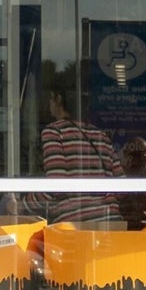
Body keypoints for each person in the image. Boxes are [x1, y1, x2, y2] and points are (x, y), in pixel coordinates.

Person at [38, 92, 121, 227]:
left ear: (58, 99)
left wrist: (22, 205)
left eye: (50, 98)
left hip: (76, 225)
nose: (49, 104)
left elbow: (56, 184)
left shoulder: (53, 132)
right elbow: (120, 185)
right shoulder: (100, 135)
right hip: (110, 221)